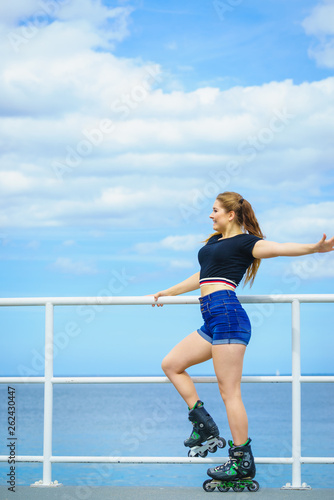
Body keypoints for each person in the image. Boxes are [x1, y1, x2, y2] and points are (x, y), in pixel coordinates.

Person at [152, 191, 334, 486]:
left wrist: (314, 248)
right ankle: (204, 426)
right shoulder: (214, 242)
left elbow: (280, 248)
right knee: (172, 364)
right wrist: (167, 292)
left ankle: (242, 460)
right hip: (211, 318)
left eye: (214, 211)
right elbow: (203, 276)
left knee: (229, 392)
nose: (210, 216)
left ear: (230, 214)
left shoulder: (247, 243)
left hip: (228, 316)